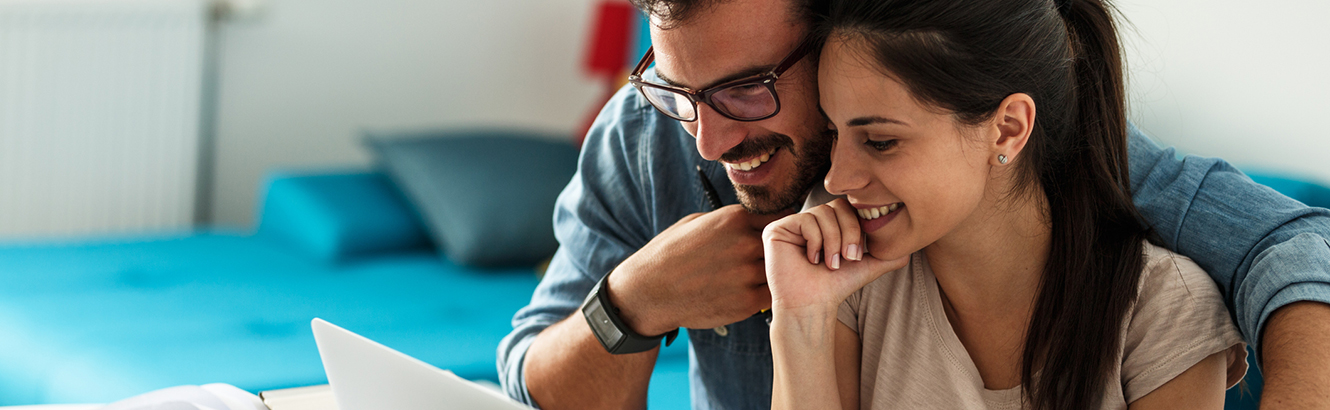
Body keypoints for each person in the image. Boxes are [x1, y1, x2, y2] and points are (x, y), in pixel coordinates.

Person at [497, 0, 1330, 408]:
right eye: (678, 90)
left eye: (747, 89)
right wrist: (635, 302)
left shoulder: (1035, 154)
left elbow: (1290, 248)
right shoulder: (644, 139)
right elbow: (529, 372)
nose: (707, 142)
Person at [763, 0, 1245, 408]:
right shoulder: (849, 285)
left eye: (880, 141)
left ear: (1008, 129)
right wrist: (799, 318)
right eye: (834, 133)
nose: (837, 177)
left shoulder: (1164, 310)